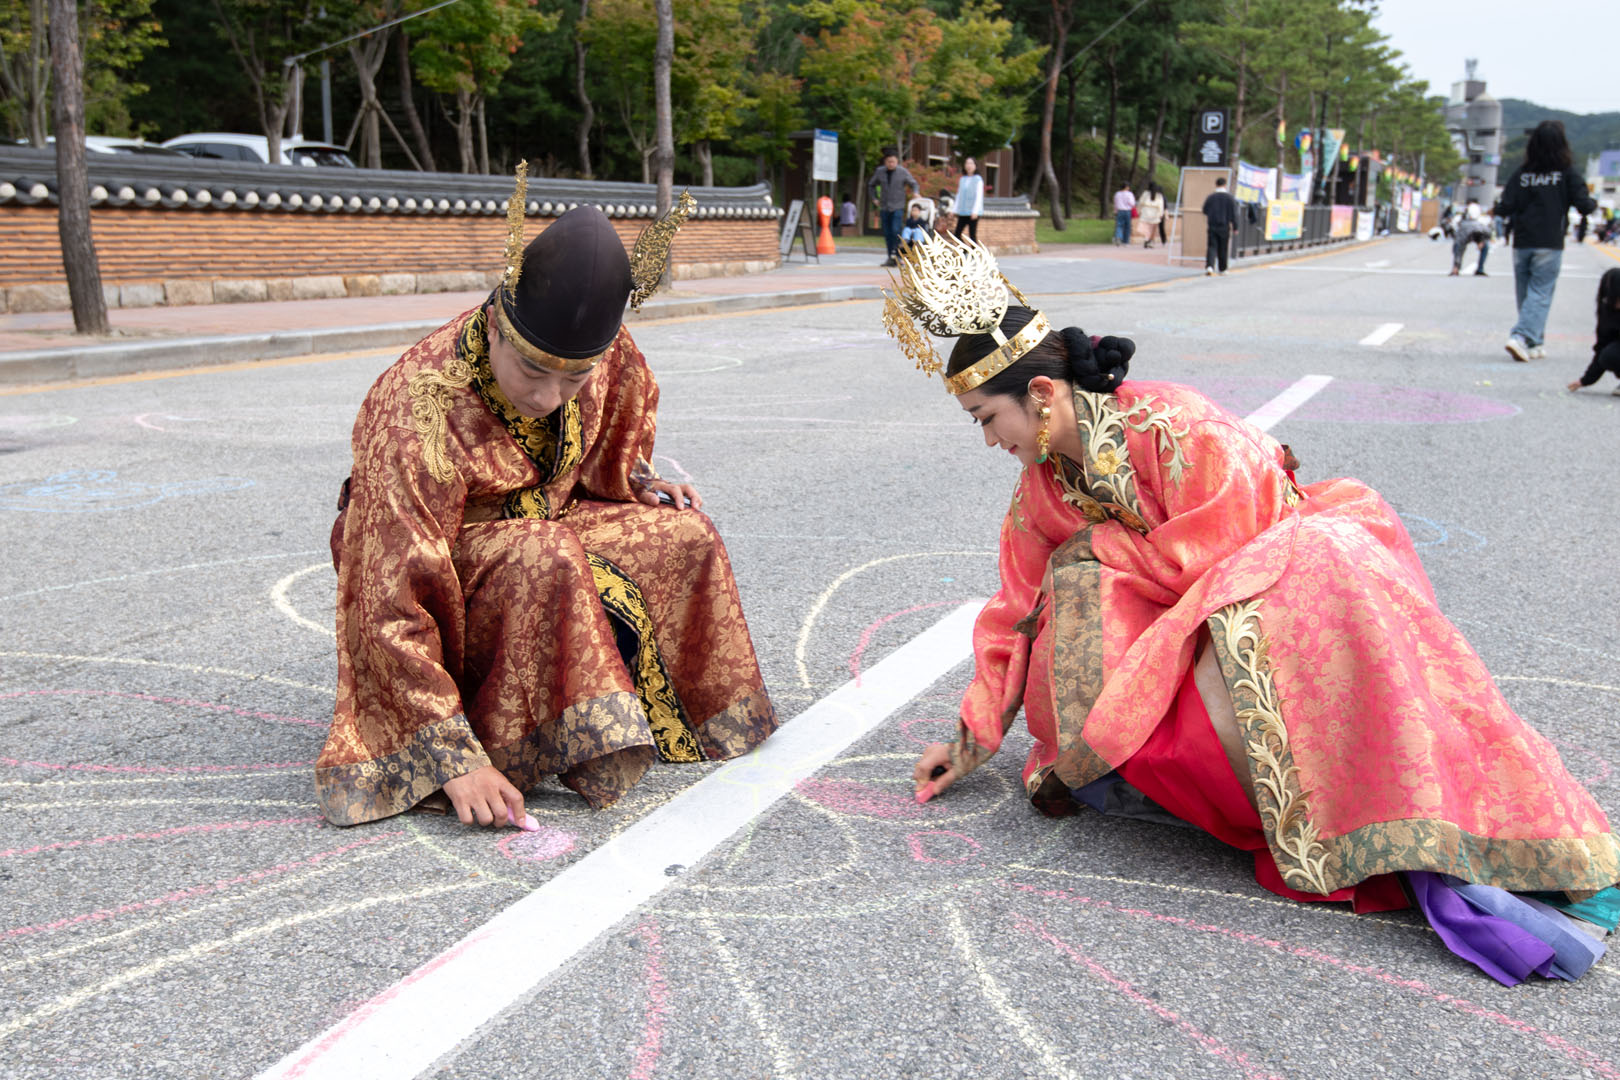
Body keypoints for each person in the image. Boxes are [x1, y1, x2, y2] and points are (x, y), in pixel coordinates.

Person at [882, 235, 1620, 985]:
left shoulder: (1178, 427)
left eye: (985, 417)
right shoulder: (1040, 490)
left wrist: (1110, 551)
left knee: (1217, 587)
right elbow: (1012, 612)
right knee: (1071, 586)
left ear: (1041, 394)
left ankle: (1371, 818)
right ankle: (1236, 788)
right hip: (1194, 620)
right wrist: (969, 741)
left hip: (1294, 592)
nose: (987, 440)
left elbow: (1246, 556)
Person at [318, 168, 778, 829]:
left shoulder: (603, 353)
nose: (547, 397)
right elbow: (387, 585)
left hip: (547, 523)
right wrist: (450, 758)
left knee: (685, 535)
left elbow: (608, 440)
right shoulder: (419, 403)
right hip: (430, 556)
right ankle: (494, 738)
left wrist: (638, 483)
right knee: (545, 551)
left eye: (574, 378)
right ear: (496, 326)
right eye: (532, 370)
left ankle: (675, 721)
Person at [1493, 120, 1598, 362]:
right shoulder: (1567, 173)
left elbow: (1505, 206)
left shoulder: (1522, 174)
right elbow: (1584, 205)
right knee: (1540, 292)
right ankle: (1521, 336)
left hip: (1522, 240)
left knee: (1525, 294)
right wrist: (1592, 204)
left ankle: (1535, 342)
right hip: (1549, 241)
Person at [1566, 267, 1620, 396]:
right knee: (1609, 355)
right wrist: (1585, 380)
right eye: (1615, 298)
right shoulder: (1607, 311)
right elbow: (1602, 347)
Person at [869, 148, 919, 267]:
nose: (891, 164)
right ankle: (890, 257)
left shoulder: (903, 172)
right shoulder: (880, 172)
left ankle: (898, 255)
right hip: (884, 206)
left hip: (898, 206)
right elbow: (871, 185)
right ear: (885, 162)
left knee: (896, 231)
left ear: (897, 161)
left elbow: (914, 183)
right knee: (887, 233)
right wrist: (874, 198)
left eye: (893, 161)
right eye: (889, 162)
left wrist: (915, 192)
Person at [1201, 176, 1236, 275]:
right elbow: (1234, 213)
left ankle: (1210, 266)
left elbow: (1204, 210)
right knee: (1223, 247)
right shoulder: (1230, 198)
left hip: (1212, 225)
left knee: (1212, 246)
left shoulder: (1211, 197)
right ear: (1225, 185)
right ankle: (1222, 268)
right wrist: (1235, 226)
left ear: (1216, 185)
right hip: (1224, 226)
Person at [1449, 201, 1491, 276]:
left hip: (1478, 234)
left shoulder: (1481, 221)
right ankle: (1457, 267)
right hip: (1466, 235)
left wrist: (1482, 241)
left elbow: (1487, 233)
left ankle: (1480, 268)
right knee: (1458, 246)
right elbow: (1459, 246)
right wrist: (1456, 265)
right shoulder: (1464, 225)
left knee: (1485, 246)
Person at [953, 156, 984, 244]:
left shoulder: (978, 179)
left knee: (972, 235)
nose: (969, 165)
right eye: (967, 163)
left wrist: (975, 211)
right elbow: (959, 195)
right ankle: (965, 249)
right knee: (957, 234)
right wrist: (954, 210)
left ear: (975, 166)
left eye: (971, 163)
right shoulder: (962, 179)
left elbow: (978, 196)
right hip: (963, 211)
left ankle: (975, 251)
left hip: (973, 212)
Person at [1138, 181, 1166, 249]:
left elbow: (1141, 202)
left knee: (1146, 228)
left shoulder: (1145, 193)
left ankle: (1146, 239)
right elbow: (1161, 205)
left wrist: (1139, 210)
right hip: (1155, 213)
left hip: (1146, 212)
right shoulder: (1159, 195)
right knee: (1153, 229)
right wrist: (1161, 213)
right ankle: (1150, 241)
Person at [1111, 180, 1136, 245]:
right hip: (1127, 211)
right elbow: (1132, 203)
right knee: (1127, 226)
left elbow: (1115, 203)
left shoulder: (1117, 194)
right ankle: (1126, 241)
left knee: (1119, 225)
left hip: (1119, 211)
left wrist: (1115, 210)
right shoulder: (1129, 194)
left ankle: (1118, 237)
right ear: (1127, 187)